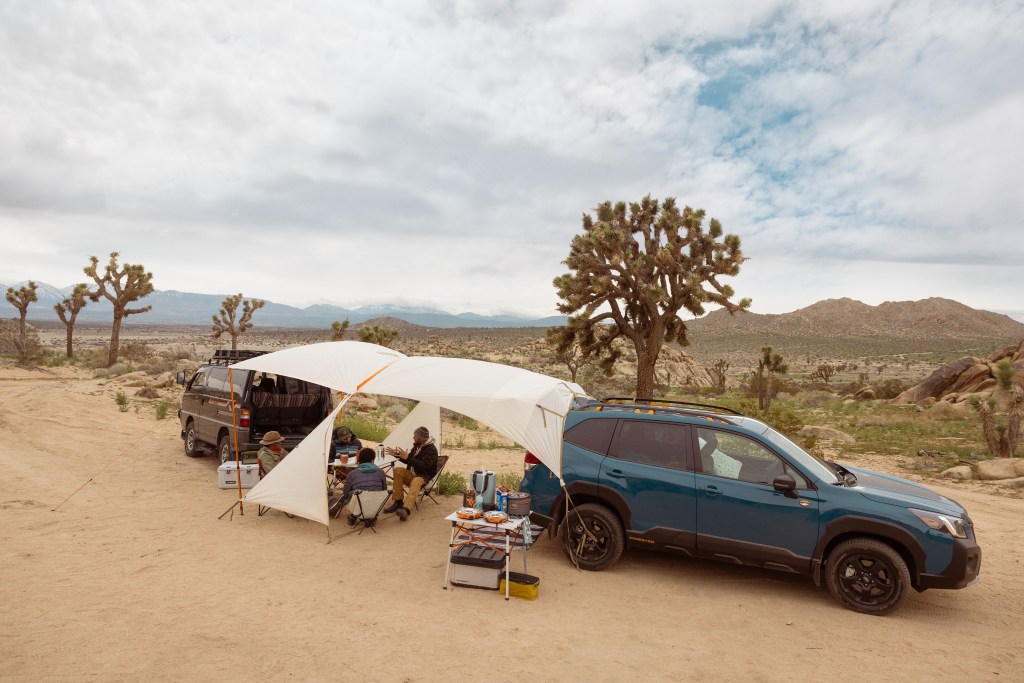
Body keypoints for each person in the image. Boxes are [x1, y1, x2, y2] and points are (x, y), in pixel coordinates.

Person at [383, 426, 438, 521]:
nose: (413, 438)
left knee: (416, 480)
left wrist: (407, 458)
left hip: (422, 477)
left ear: (421, 438)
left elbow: (423, 466)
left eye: (415, 436)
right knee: (398, 470)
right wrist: (397, 455)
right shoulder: (417, 446)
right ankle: (398, 501)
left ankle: (406, 509)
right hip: (411, 474)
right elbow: (409, 460)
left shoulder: (431, 450)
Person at [339, 447, 388, 527]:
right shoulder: (381, 472)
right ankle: (370, 517)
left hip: (358, 505)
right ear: (372, 460)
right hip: (375, 505)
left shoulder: (352, 474)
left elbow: (345, 493)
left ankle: (353, 516)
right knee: (373, 493)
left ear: (359, 460)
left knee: (352, 494)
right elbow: (384, 490)